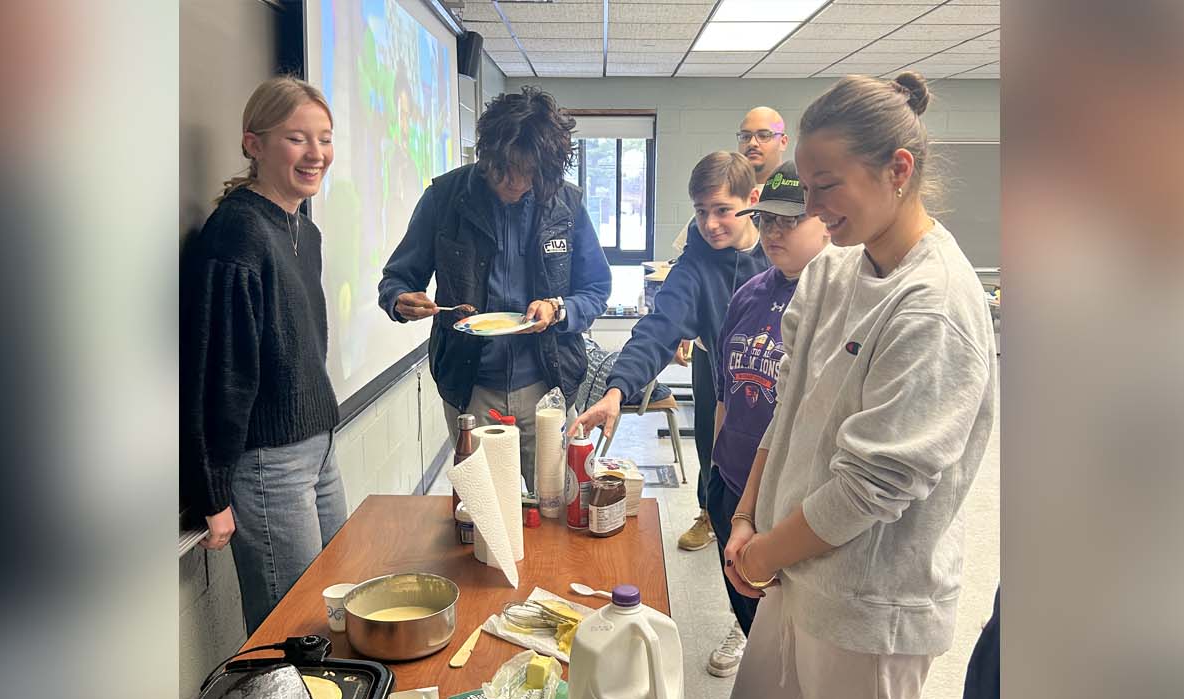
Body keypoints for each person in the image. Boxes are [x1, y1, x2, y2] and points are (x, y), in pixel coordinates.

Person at [693, 72, 997, 699]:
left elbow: (870, 485)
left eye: (828, 185)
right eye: (806, 181)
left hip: (869, 605)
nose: (813, 205)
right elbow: (786, 410)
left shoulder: (934, 305)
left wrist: (762, 555)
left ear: (897, 170)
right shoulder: (835, 271)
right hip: (794, 572)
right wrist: (747, 517)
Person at [379, 87, 611, 489]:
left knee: (557, 507)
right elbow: (397, 278)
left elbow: (596, 288)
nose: (516, 184)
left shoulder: (566, 205)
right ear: (486, 155)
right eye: (505, 172)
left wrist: (558, 309)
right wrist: (399, 300)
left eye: (529, 175)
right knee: (483, 514)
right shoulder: (444, 198)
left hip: (548, 385)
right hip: (470, 388)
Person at [181, 76, 346, 635]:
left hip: (318, 450)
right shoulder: (239, 235)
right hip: (267, 465)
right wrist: (211, 491)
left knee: (338, 612)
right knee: (294, 635)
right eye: (298, 139)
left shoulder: (303, 229)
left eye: (324, 139)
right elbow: (216, 374)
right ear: (254, 144)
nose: (316, 154)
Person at [705, 159, 829, 682]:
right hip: (730, 480)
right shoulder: (750, 292)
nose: (775, 232)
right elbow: (725, 391)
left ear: (826, 221)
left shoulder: (832, 299)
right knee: (746, 605)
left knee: (785, 632)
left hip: (783, 499)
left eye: (789, 221)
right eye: (769, 220)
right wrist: (714, 470)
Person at [570, 151, 767, 470]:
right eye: (701, 212)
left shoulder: (781, 251)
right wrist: (617, 391)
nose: (710, 224)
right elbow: (658, 329)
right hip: (729, 410)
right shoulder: (696, 264)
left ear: (752, 199)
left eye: (722, 210)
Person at [675, 106, 791, 553]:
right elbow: (690, 283)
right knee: (713, 427)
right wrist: (688, 326)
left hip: (775, 351)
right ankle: (712, 508)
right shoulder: (708, 225)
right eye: (745, 134)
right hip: (718, 346)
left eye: (763, 134)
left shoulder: (791, 202)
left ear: (783, 140)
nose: (753, 142)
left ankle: (762, 515)